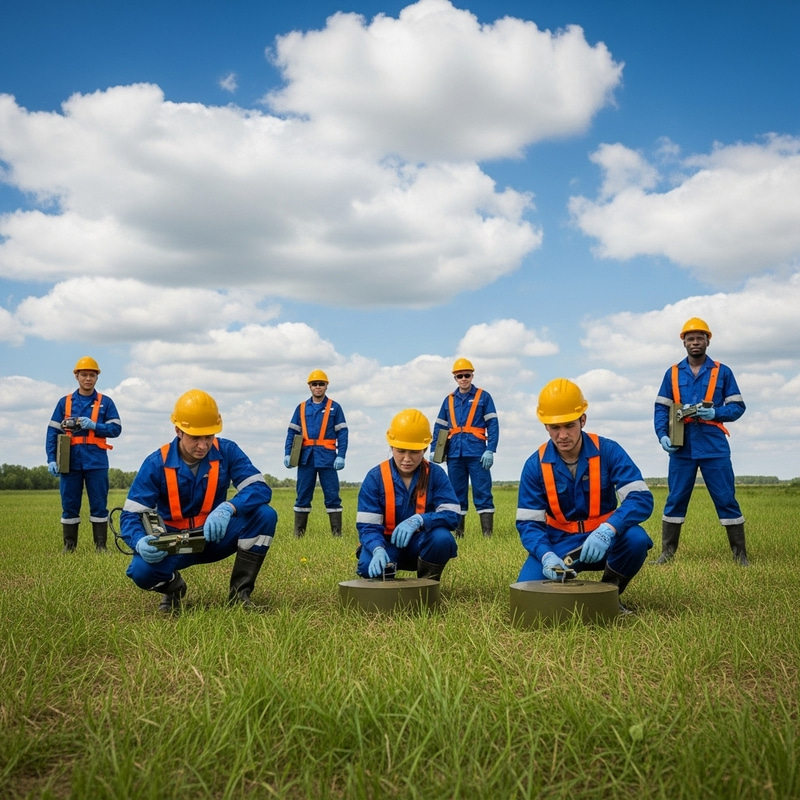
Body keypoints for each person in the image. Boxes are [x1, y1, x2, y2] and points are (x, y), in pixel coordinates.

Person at [120, 389, 277, 613]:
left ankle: (240, 595)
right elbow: (130, 515)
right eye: (196, 437)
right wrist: (138, 541)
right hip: (173, 544)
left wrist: (228, 507)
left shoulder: (228, 451)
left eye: (209, 436)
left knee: (265, 515)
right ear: (178, 431)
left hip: (215, 537)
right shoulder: (156, 463)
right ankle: (172, 587)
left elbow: (259, 488)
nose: (203, 445)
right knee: (141, 571)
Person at [515, 378, 654, 608]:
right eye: (555, 427)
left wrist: (608, 530)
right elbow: (529, 524)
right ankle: (564, 584)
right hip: (559, 544)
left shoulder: (609, 451)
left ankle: (610, 597)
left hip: (606, 539)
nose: (562, 435)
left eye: (569, 425)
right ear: (546, 427)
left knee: (636, 539)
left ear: (583, 420)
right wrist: (546, 554)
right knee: (526, 597)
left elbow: (640, 498)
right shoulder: (535, 465)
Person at [653, 317, 749, 566]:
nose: (695, 342)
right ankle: (667, 554)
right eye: (690, 338)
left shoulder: (722, 371)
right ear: (683, 342)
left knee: (726, 498)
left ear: (708, 340)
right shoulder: (672, 373)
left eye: (700, 338)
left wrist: (716, 413)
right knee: (675, 498)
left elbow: (738, 407)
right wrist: (662, 435)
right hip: (680, 446)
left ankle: (740, 556)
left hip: (714, 446)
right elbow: (661, 408)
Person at [356, 409, 460, 581]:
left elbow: (452, 515)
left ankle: (427, 586)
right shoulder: (375, 477)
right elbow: (368, 526)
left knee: (442, 539)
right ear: (391, 447)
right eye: (401, 451)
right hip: (386, 545)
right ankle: (386, 581)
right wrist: (376, 548)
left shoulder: (436, 474)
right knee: (367, 565)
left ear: (425, 449)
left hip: (420, 544)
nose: (407, 458)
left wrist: (420, 520)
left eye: (414, 452)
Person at [45, 356, 122, 553]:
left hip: (96, 461)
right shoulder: (64, 403)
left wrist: (95, 426)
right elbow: (53, 431)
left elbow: (116, 429)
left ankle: (101, 546)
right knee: (69, 504)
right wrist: (52, 458)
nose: (88, 378)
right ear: (76, 376)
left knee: (99, 504)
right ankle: (69, 547)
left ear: (97, 377)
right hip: (69, 461)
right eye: (84, 375)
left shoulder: (106, 402)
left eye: (92, 375)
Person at [432, 358, 499, 538]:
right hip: (454, 454)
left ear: (472, 376)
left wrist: (490, 449)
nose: (464, 379)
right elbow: (440, 426)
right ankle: (459, 534)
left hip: (478, 453)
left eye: (467, 375)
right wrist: (435, 449)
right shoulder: (448, 400)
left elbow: (492, 424)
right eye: (460, 376)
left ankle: (487, 535)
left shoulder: (483, 397)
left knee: (483, 491)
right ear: (455, 378)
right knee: (455, 494)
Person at [284, 370, 349, 538]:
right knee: (302, 495)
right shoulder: (301, 408)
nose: (318, 387)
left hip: (328, 458)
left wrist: (341, 455)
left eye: (321, 384)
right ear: (309, 386)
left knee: (333, 496)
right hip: (306, 458)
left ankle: (337, 535)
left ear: (327, 386)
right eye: (315, 384)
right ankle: (299, 534)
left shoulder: (335, 407)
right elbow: (292, 432)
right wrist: (288, 454)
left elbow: (343, 432)